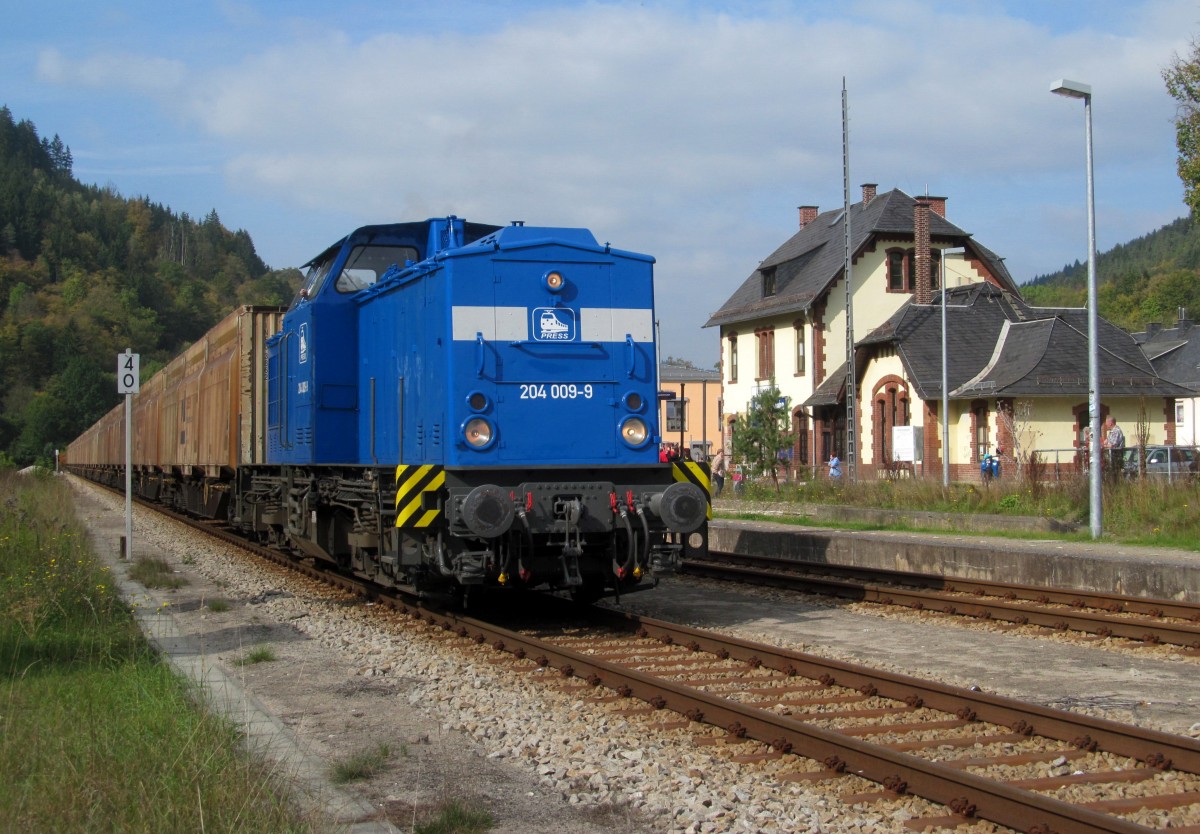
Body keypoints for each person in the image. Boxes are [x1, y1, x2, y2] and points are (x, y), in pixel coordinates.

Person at [1102, 415, 1125, 480]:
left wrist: (1104, 446)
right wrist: (1104, 444)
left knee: (1115, 475)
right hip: (1111, 457)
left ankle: (1115, 487)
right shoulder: (1111, 432)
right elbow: (1105, 442)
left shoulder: (1116, 431)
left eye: (1106, 423)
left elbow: (1112, 445)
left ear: (1110, 423)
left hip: (1115, 457)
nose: (1106, 425)